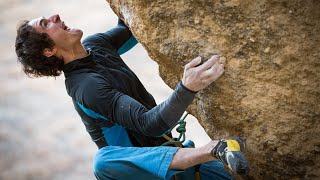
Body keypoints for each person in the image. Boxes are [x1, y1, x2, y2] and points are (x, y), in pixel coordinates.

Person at [15, 13, 249, 180]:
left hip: (186, 166)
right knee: (103, 161)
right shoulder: (86, 87)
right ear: (49, 50)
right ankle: (215, 149)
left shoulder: (96, 44)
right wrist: (187, 88)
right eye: (46, 24)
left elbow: (133, 23)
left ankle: (217, 152)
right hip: (147, 174)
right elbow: (150, 124)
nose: (55, 16)